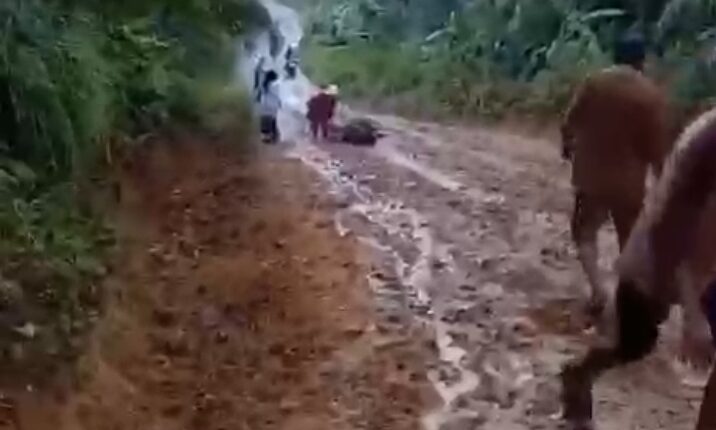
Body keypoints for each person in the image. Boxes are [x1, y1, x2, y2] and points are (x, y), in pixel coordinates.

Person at [258, 70, 281, 144]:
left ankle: (266, 137)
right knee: (273, 121)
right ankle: (273, 137)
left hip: (264, 105)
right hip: (272, 105)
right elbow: (277, 94)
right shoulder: (275, 85)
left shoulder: (263, 85)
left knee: (265, 121)